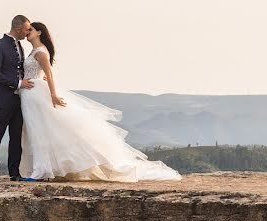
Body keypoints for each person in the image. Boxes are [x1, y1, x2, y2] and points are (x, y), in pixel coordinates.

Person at [18, 21, 181, 182]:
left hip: (37, 94)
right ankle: (43, 168)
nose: (27, 32)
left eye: (30, 30)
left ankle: (42, 170)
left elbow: (49, 73)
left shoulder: (40, 52)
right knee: (39, 131)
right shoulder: (35, 51)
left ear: (39, 32)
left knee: (40, 130)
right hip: (31, 94)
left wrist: (53, 95)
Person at [0, 15, 35, 182]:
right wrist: (18, 83)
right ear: (18, 28)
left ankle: (15, 172)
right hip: (2, 100)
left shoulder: (20, 46)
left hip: (19, 100)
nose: (28, 32)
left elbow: (21, 70)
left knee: (16, 136)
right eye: (27, 29)